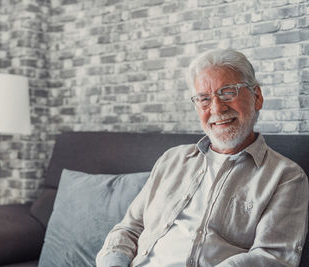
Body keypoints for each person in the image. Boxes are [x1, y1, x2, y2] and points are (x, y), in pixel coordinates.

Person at [96, 49, 309, 267]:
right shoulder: (172, 160)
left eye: (228, 93)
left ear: (257, 97)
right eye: (204, 99)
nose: (217, 108)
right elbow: (129, 228)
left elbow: (274, 258)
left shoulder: (287, 177)